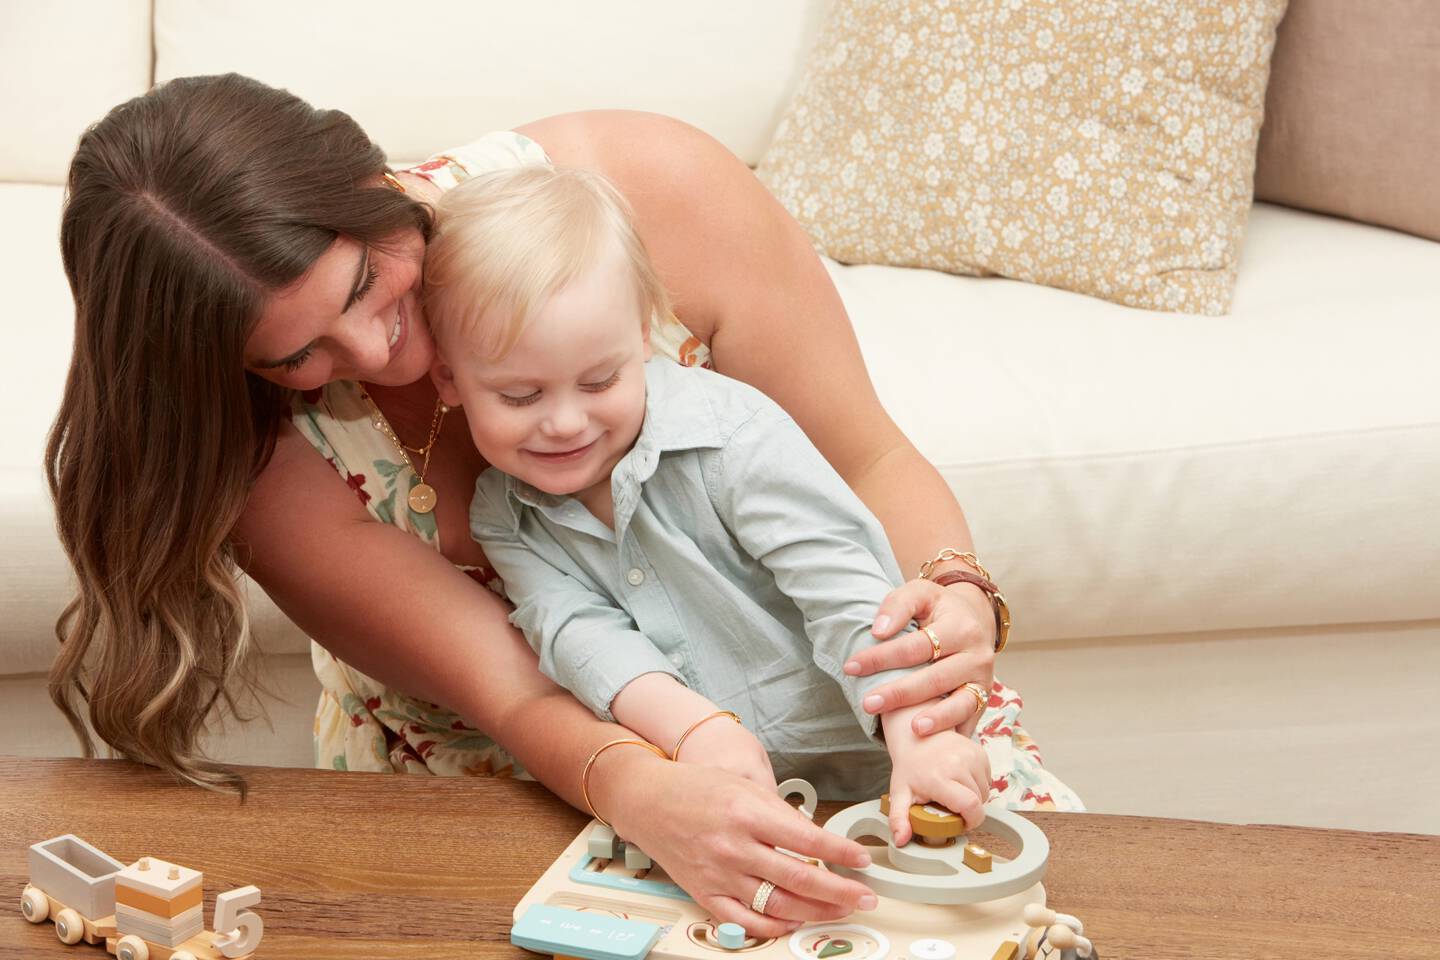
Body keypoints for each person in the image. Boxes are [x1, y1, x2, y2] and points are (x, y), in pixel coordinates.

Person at [47, 73, 1081, 937]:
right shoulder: (254, 447)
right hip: (525, 764)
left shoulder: (645, 196)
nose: (373, 354)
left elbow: (869, 461)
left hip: (827, 698)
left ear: (372, 179)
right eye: (296, 354)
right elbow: (524, 691)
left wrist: (955, 595)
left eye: (367, 280)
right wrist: (659, 786)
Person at [423, 164, 994, 835]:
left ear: (642, 335)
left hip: (876, 769)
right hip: (705, 799)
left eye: (600, 379)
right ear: (449, 380)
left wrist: (915, 734)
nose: (567, 423)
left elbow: (841, 587)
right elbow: (578, 634)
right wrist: (695, 731)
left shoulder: (733, 436)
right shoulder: (502, 511)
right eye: (521, 397)